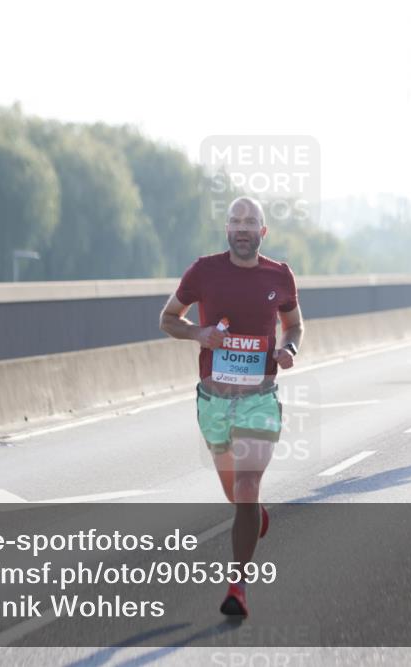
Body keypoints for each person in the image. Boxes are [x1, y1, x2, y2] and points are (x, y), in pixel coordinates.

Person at [159, 196, 304, 617]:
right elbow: (168, 318)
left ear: (263, 232)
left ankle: (237, 585)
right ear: (227, 229)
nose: (242, 228)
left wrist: (288, 348)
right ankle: (252, 516)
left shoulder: (279, 275)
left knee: (246, 487)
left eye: (250, 222)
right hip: (213, 402)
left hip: (260, 397)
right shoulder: (204, 271)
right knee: (234, 493)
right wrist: (199, 334)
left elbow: (293, 324)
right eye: (235, 221)